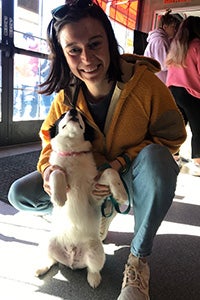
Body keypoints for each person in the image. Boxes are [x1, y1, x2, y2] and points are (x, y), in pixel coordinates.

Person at [8, 1, 186, 299]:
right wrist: (50, 170)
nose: (87, 58)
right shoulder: (66, 96)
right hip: (81, 182)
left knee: (158, 161)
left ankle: (138, 261)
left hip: (127, 177)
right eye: (73, 49)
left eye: (94, 44)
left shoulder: (146, 86)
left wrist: (118, 163)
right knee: (19, 193)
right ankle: (89, 218)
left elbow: (172, 139)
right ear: (64, 55)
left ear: (109, 42)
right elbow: (48, 142)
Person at [166, 16, 200, 176]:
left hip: (173, 91)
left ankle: (173, 159)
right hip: (192, 93)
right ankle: (198, 163)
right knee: (198, 128)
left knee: (176, 128)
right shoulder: (197, 46)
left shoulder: (176, 46)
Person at [144, 9, 181, 83]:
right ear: (165, 27)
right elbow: (164, 65)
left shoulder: (161, 39)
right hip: (157, 81)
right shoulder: (159, 40)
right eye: (173, 27)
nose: (175, 30)